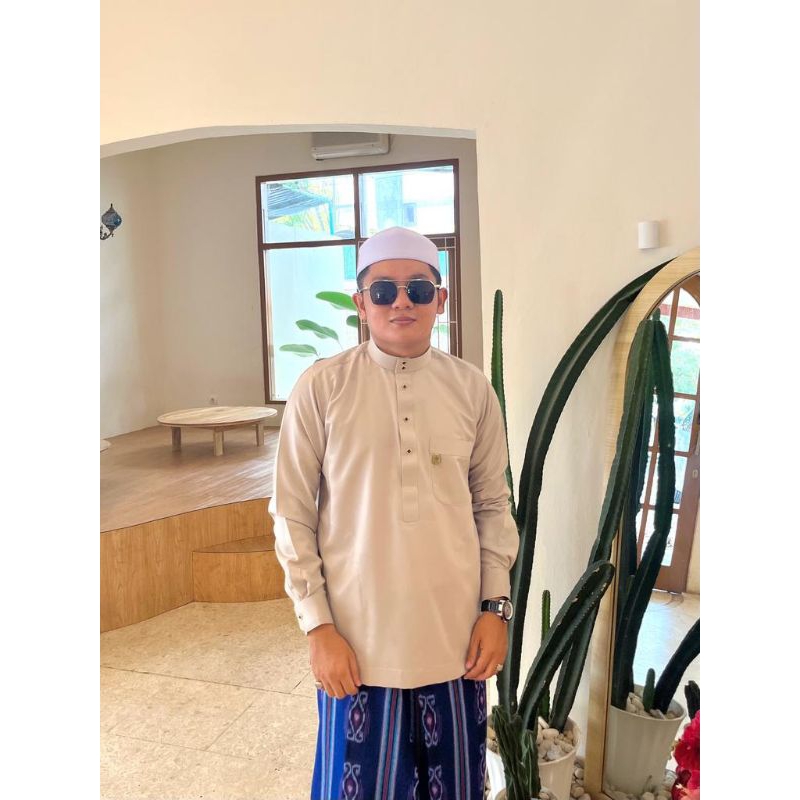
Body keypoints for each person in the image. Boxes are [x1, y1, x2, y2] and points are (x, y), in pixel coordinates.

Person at [268, 226, 519, 800]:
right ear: (361, 303)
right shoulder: (322, 388)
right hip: (356, 646)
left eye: (417, 289)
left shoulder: (472, 390)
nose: (401, 301)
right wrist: (318, 626)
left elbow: (492, 505)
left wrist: (495, 609)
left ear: (440, 299)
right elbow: (292, 513)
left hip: (456, 641)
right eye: (383, 290)